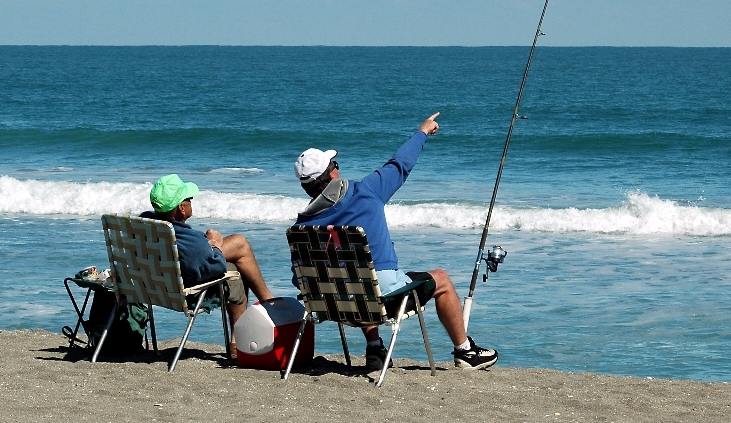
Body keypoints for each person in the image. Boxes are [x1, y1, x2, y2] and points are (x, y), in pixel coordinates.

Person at [294, 113, 498, 371]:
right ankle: (465, 351)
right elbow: (400, 164)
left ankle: (374, 347)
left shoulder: (302, 227)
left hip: (331, 306)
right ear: (332, 174)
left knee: (355, 277)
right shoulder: (365, 192)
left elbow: (299, 279)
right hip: (380, 302)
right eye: (335, 164)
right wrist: (422, 132)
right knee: (441, 279)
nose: (338, 166)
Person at [141, 173, 274, 355]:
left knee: (238, 250)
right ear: (181, 208)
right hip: (186, 291)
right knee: (237, 262)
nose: (191, 201)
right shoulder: (191, 242)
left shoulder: (146, 223)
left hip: (156, 287)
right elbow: (216, 266)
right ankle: (264, 306)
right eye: (189, 199)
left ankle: (264, 304)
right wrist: (215, 243)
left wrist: (207, 245)